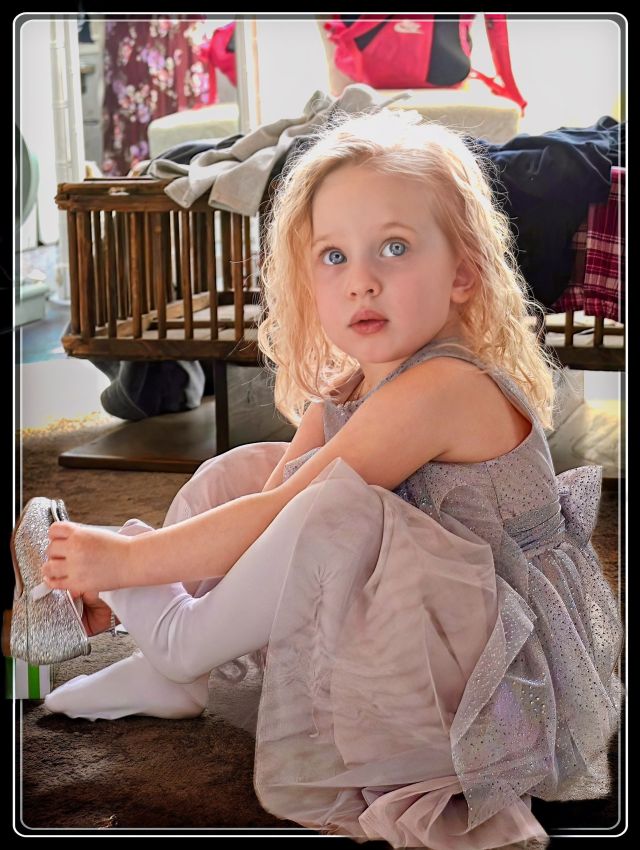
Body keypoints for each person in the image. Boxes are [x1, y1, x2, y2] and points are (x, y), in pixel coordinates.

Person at [25, 107, 623, 849]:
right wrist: (177, 555)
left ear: (464, 274)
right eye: (334, 257)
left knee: (318, 508)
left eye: (394, 249)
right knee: (243, 473)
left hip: (484, 666)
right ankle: (173, 667)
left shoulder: (446, 386)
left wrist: (128, 561)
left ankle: (170, 630)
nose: (361, 281)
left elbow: (294, 518)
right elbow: (267, 505)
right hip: (418, 618)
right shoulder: (354, 384)